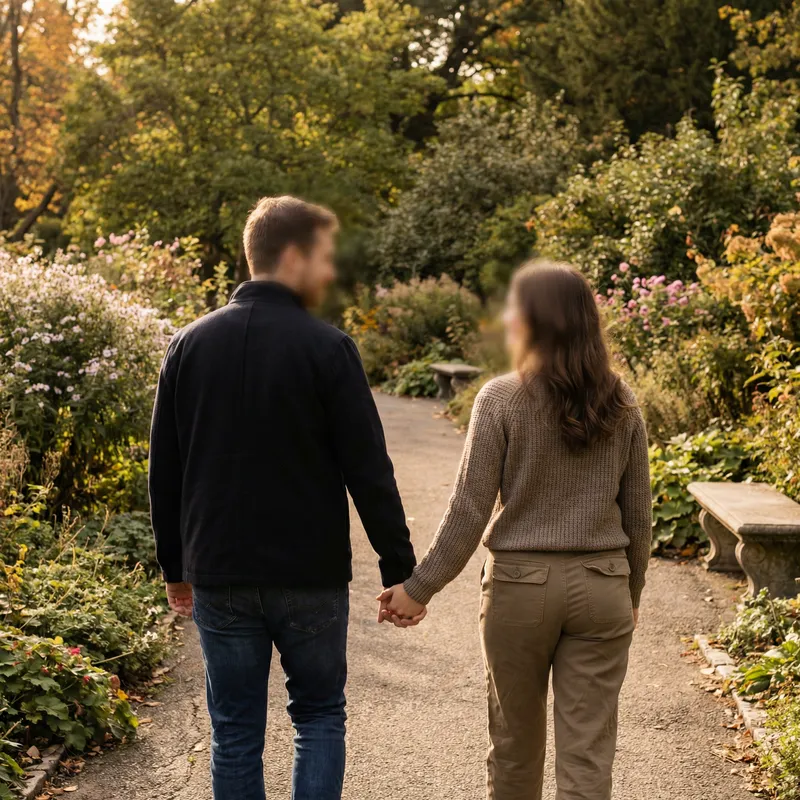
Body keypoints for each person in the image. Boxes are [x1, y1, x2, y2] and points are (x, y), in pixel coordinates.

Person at [148, 195, 418, 800]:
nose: (330, 271)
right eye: (324, 257)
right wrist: (399, 568)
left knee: (234, 732)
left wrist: (175, 568)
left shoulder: (187, 346)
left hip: (219, 571)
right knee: (318, 716)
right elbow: (368, 470)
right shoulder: (328, 348)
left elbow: (164, 471)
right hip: (309, 575)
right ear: (293, 256)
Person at [379, 260, 652, 800]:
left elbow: (469, 509)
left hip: (519, 591)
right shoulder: (622, 401)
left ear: (533, 319)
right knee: (588, 757)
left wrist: (419, 588)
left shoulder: (501, 398)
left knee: (513, 748)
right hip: (603, 588)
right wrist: (632, 591)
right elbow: (638, 517)